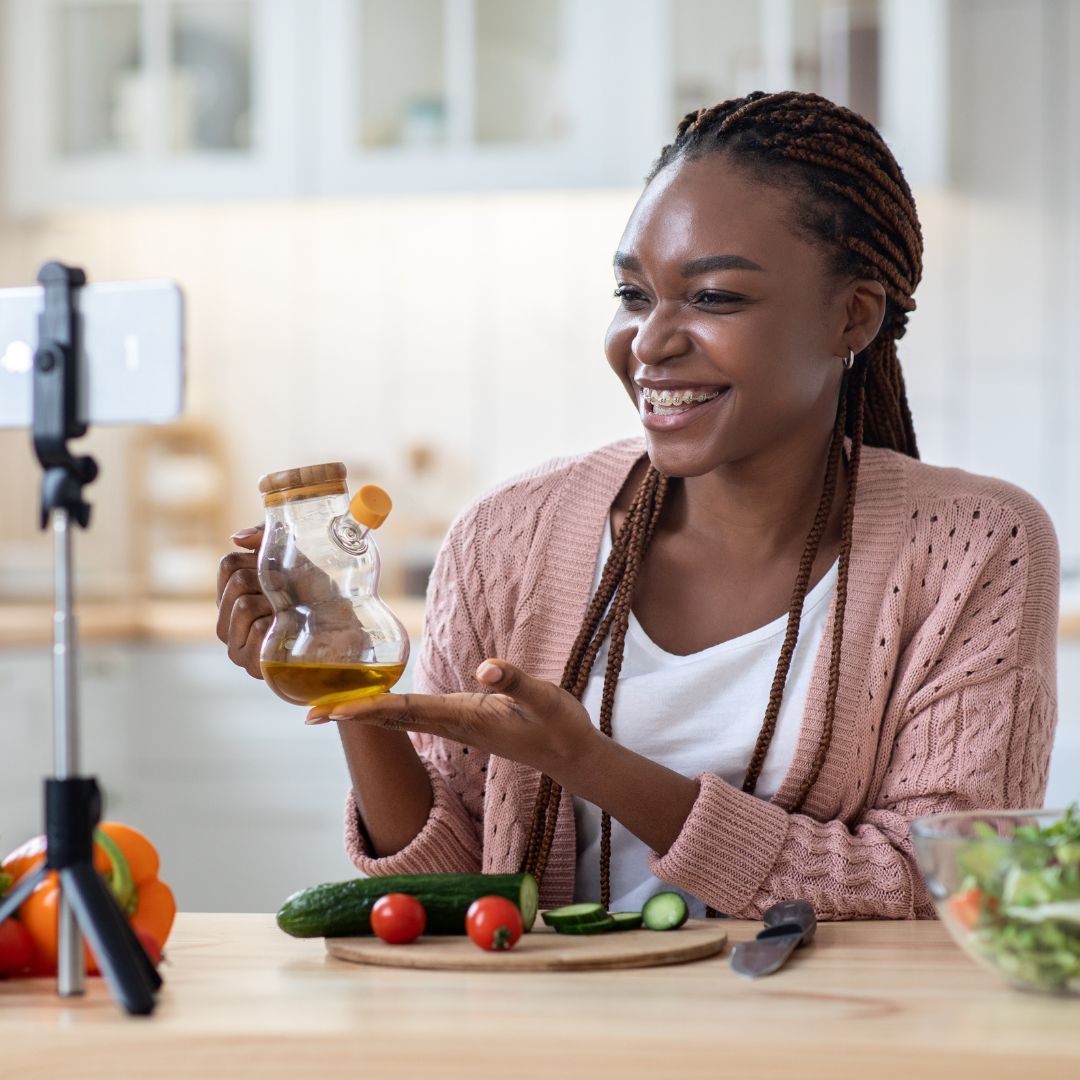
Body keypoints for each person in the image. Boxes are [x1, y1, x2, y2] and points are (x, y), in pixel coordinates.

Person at [217, 91, 1060, 920]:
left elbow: (941, 887)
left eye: (714, 297)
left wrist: (591, 764)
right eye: (632, 295)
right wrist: (349, 683)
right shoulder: (507, 537)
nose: (650, 343)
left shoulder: (976, 546)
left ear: (854, 315)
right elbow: (456, 890)